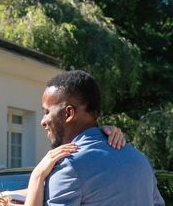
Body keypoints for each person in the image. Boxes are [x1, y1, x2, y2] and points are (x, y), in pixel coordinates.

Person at [41, 70, 165, 206]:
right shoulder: (140, 159)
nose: (43, 121)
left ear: (68, 113)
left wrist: (37, 176)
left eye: (47, 112)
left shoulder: (69, 165)